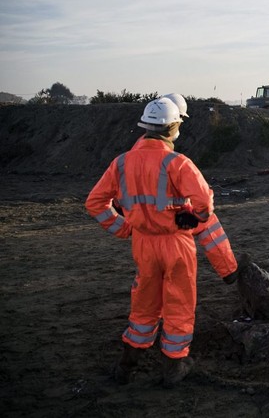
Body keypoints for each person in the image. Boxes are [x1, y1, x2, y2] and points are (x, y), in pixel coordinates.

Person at [85, 97, 239, 388]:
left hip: (143, 244)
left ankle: (126, 365)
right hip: (176, 244)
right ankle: (174, 366)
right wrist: (195, 216)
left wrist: (124, 228)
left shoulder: (121, 163)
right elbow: (205, 202)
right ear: (174, 126)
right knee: (179, 304)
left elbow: (95, 203)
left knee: (143, 305)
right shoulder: (177, 163)